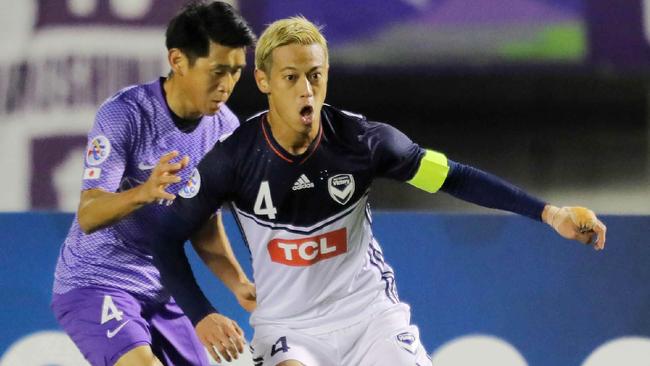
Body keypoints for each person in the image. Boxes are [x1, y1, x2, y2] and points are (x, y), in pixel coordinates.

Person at [150, 16, 608, 366]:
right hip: (288, 328)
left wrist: (551, 213)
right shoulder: (232, 159)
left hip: (369, 316)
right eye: (291, 78)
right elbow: (166, 238)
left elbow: (455, 176)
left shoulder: (365, 142)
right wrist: (201, 313)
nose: (307, 90)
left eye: (316, 75)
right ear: (265, 82)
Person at [51, 2, 257, 365]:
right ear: (178, 61)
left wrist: (240, 284)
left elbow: (205, 227)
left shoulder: (224, 129)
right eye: (217, 71)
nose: (227, 85)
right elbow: (89, 213)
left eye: (236, 72)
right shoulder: (125, 114)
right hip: (96, 282)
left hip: (160, 292)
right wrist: (144, 191)